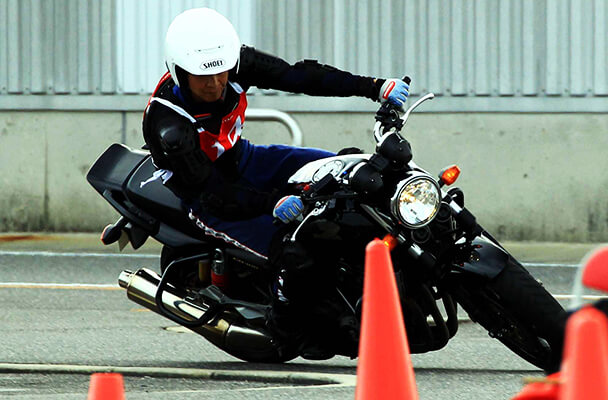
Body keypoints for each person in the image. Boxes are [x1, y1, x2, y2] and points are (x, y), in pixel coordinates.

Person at [142, 7, 409, 353]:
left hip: (245, 158)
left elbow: (300, 76)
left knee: (346, 168)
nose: (215, 83)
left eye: (221, 72)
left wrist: (374, 87)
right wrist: (273, 203)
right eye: (202, 77)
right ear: (178, 73)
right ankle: (285, 329)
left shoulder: (238, 65)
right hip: (208, 198)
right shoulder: (168, 126)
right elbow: (212, 193)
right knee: (294, 246)